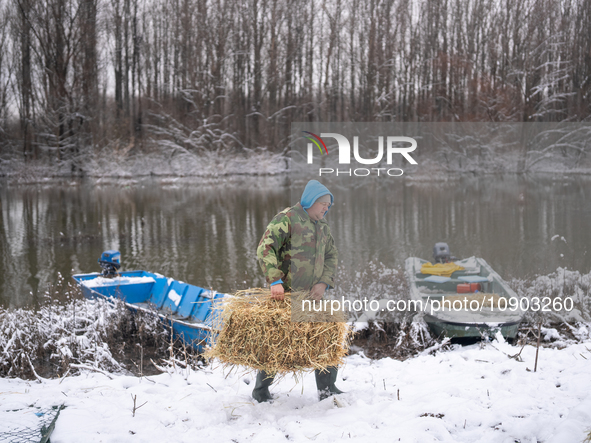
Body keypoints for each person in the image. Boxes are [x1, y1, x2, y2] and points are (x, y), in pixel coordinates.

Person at [253, 179, 344, 402]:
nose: (326, 208)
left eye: (328, 205)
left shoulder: (322, 226)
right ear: (310, 200)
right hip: (286, 295)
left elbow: (332, 255)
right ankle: (261, 391)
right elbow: (265, 249)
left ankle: (328, 389)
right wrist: (274, 281)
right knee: (277, 341)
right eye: (323, 203)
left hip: (313, 297)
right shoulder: (288, 218)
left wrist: (323, 282)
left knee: (326, 336)